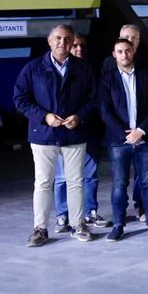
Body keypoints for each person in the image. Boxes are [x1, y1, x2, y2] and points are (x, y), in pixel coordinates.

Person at [14, 25, 98, 246]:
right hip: (43, 134)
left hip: (74, 133)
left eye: (68, 39)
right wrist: (44, 117)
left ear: (72, 43)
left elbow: (93, 99)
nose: (63, 42)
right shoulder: (32, 68)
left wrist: (79, 116)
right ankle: (40, 230)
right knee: (43, 182)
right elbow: (20, 99)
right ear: (49, 42)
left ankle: (79, 225)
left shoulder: (84, 68)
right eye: (58, 38)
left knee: (76, 182)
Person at [99, 38, 148, 240]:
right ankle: (119, 224)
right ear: (114, 54)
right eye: (120, 52)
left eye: (127, 51)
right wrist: (125, 134)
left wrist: (141, 130)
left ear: (133, 51)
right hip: (119, 141)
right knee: (119, 184)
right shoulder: (106, 79)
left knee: (147, 182)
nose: (124, 55)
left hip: (145, 138)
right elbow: (105, 111)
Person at [54, 33, 107, 231]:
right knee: (61, 176)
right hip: (62, 132)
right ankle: (62, 215)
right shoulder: (58, 69)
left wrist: (81, 116)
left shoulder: (90, 69)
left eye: (82, 46)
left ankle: (90, 212)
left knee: (90, 174)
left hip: (89, 130)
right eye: (74, 45)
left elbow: (95, 99)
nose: (79, 49)